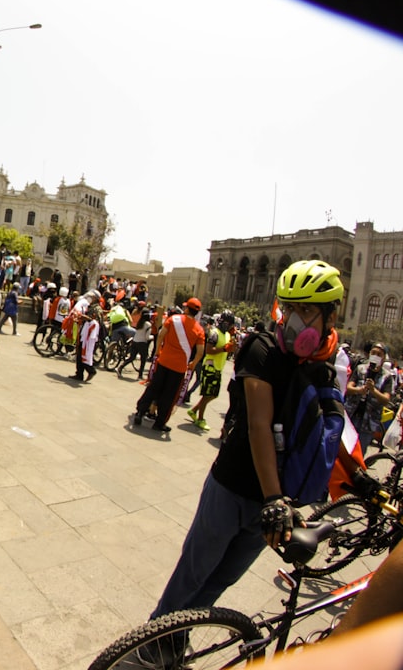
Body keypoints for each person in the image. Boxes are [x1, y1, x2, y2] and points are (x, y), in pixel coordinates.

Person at [147, 260, 376, 623]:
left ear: (331, 317)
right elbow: (259, 424)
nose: (293, 319)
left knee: (221, 580)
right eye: (289, 308)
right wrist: (274, 499)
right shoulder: (262, 348)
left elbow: (333, 431)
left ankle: (176, 638)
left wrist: (359, 476)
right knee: (192, 574)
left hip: (273, 506)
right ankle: (151, 642)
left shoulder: (325, 370)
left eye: (306, 311)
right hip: (234, 487)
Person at [134, 297, 206, 434]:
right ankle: (160, 423)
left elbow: (161, 335)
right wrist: (193, 364)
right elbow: (200, 352)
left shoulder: (174, 319)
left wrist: (157, 351)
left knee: (153, 388)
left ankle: (140, 412)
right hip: (179, 368)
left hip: (164, 361)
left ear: (187, 309)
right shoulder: (199, 330)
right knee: (169, 395)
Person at [187, 311, 236, 432]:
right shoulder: (214, 333)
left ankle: (194, 410)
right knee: (207, 394)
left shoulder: (227, 335)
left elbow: (227, 349)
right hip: (210, 367)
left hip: (218, 368)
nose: (229, 326)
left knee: (213, 394)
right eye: (228, 323)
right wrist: (224, 349)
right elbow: (208, 350)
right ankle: (200, 419)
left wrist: (232, 347)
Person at [345, 342, 398, 453]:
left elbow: (386, 399)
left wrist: (373, 390)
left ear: (384, 358)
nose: (375, 356)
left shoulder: (387, 377)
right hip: (351, 415)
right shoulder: (360, 369)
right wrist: (359, 390)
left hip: (368, 422)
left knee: (359, 452)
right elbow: (348, 388)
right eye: (373, 353)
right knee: (343, 449)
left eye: (379, 354)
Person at [70, 303, 101, 382]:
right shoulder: (87, 319)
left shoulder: (95, 322)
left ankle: (91, 371)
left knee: (84, 357)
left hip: (88, 342)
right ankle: (79, 374)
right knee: (79, 357)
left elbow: (93, 322)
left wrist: (87, 318)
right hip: (82, 339)